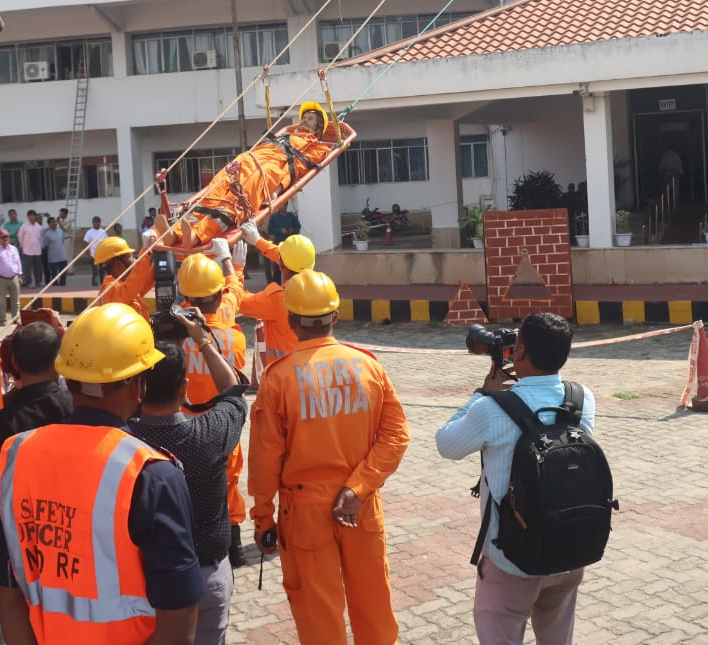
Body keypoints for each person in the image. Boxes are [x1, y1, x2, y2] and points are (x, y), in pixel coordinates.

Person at [0, 303, 204, 643]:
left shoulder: (16, 454)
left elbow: (8, 589)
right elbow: (179, 620)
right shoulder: (151, 475)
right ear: (138, 386)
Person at [248, 270, 409, 645]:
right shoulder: (368, 366)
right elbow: (396, 437)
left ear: (290, 320)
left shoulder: (278, 378)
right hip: (360, 505)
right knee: (374, 606)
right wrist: (358, 487)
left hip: (304, 512)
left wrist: (263, 517)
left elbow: (265, 458)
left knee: (318, 615)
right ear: (335, 315)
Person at [434, 312, 594, 645]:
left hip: (511, 560)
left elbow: (446, 444)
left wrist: (482, 393)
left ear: (519, 351)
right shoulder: (581, 399)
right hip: (568, 550)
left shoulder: (492, 408)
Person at [129, 313, 247, 645]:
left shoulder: (123, 440)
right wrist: (202, 340)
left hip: (143, 579)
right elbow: (233, 392)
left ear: (138, 388)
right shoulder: (209, 435)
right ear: (184, 389)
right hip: (207, 575)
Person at [0, 316, 73, 645]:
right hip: (70, 531)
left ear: (15, 362)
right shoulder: (74, 409)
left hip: (18, 539)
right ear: (59, 360)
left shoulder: (2, 422)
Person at [156, 103, 339, 249]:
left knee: (237, 198)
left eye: (310, 119)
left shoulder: (317, 147)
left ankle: (197, 236)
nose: (305, 120)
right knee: (218, 187)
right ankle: (178, 232)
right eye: (304, 117)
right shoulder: (286, 136)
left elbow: (296, 169)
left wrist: (277, 191)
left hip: (269, 169)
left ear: (318, 126)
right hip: (250, 159)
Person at [176, 244, 248, 568]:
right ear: (218, 296)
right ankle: (235, 546)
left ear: (184, 297)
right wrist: (232, 265)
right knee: (228, 482)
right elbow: (233, 296)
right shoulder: (234, 336)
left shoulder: (173, 337)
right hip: (224, 429)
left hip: (185, 430)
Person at [237, 223, 316, 385]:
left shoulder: (277, 299)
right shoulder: (317, 285)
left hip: (284, 378)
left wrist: (235, 268)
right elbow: (287, 259)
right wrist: (258, 241)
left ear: (282, 266)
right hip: (310, 372)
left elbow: (238, 301)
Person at [94, 236, 154, 318]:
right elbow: (135, 282)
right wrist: (146, 252)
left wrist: (161, 253)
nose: (134, 260)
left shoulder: (122, 284)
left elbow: (145, 280)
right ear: (118, 264)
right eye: (129, 256)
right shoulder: (110, 291)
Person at [265, 204, 301, 285]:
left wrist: (291, 230)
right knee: (277, 265)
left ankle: (291, 284)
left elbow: (298, 227)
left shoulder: (291, 216)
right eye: (281, 205)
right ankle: (277, 285)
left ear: (287, 206)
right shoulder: (274, 217)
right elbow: (270, 230)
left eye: (285, 205)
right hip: (278, 244)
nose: (283, 207)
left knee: (290, 265)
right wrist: (280, 230)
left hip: (289, 244)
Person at [0, 229, 22, 326]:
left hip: (14, 277)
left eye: (6, 236)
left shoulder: (14, 249)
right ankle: (2, 320)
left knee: (16, 300)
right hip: (1, 279)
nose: (5, 239)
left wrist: (20, 275)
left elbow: (18, 262)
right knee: (1, 301)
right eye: (3, 237)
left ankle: (15, 318)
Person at [18, 210, 45, 289]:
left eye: (33, 215)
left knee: (38, 267)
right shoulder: (24, 226)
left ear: (35, 216)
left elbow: (41, 239)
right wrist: (23, 246)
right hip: (27, 250)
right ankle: (28, 282)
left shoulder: (39, 227)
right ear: (28, 217)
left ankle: (38, 282)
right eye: (30, 215)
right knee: (27, 268)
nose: (32, 217)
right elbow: (20, 236)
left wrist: (41, 246)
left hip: (37, 250)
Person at [82, 216, 108, 287]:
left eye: (98, 222)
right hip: (94, 256)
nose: (97, 224)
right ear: (93, 223)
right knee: (95, 273)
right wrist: (88, 254)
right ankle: (94, 288)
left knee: (102, 273)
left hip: (102, 256)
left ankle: (103, 287)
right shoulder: (89, 232)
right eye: (95, 222)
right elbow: (84, 244)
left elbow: (107, 242)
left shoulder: (103, 232)